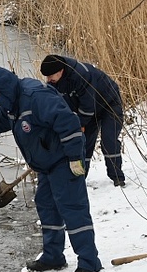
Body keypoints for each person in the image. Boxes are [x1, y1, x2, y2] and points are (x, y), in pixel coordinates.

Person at [0, 64, 103, 272]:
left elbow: (69, 124)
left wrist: (75, 159)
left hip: (64, 160)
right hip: (47, 164)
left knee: (72, 208)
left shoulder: (36, 96)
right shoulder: (12, 104)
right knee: (46, 205)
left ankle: (89, 263)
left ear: (3, 87)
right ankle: (53, 257)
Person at [39, 54, 126, 187]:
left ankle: (117, 178)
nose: (48, 79)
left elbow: (88, 106)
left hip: (109, 105)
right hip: (88, 111)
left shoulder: (81, 75)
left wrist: (79, 124)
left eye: (51, 76)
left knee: (109, 141)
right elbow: (57, 106)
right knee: (82, 144)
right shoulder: (54, 83)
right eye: (47, 77)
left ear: (61, 71)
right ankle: (79, 180)